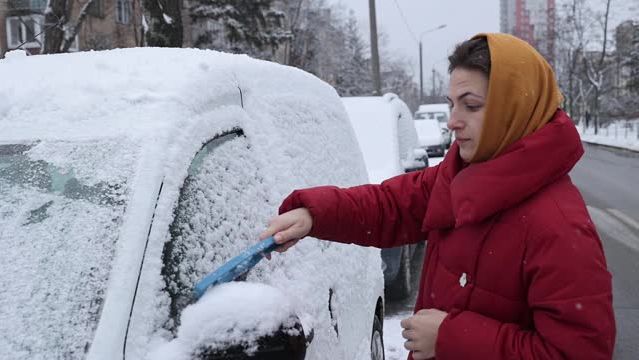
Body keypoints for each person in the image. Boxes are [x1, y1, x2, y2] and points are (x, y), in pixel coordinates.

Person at [259, 33, 615, 360]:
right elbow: (390, 206)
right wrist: (314, 215)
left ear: (514, 111)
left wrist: (450, 337)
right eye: (452, 104)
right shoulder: (461, 175)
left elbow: (577, 353)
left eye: (471, 106)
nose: (453, 121)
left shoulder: (560, 227)